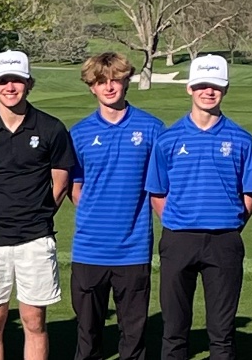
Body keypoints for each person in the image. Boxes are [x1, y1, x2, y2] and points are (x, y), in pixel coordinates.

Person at [0, 50, 76, 360]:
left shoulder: (51, 128)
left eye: (17, 81)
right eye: (2, 81)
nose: (10, 87)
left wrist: (36, 214)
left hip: (36, 239)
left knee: (34, 322)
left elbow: (61, 183)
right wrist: (0, 213)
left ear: (29, 83)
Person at [145, 54, 252, 360]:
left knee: (222, 333)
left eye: (215, 86)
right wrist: (178, 220)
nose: (208, 92)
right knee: (174, 328)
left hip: (224, 241)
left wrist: (229, 224)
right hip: (179, 239)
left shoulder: (242, 140)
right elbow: (157, 193)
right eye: (202, 86)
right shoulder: (168, 139)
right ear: (190, 88)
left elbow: (249, 196)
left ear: (225, 89)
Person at [67, 52, 163, 360]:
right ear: (91, 87)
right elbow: (75, 186)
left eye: (116, 80)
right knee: (88, 335)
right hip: (89, 248)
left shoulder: (152, 129)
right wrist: (96, 214)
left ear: (126, 81)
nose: (109, 87)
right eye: (101, 82)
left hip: (133, 249)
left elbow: (160, 187)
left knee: (133, 337)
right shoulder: (79, 133)